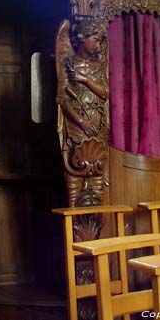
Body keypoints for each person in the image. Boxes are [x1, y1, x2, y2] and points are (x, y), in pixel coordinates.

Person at [56, 19, 109, 207]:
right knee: (75, 169)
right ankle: (75, 224)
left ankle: (95, 223)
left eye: (100, 40)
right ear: (82, 37)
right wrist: (81, 122)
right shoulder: (68, 65)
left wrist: (85, 79)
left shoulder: (98, 66)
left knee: (97, 173)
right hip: (77, 127)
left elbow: (104, 93)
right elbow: (62, 99)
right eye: (95, 39)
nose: (98, 44)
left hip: (97, 126)